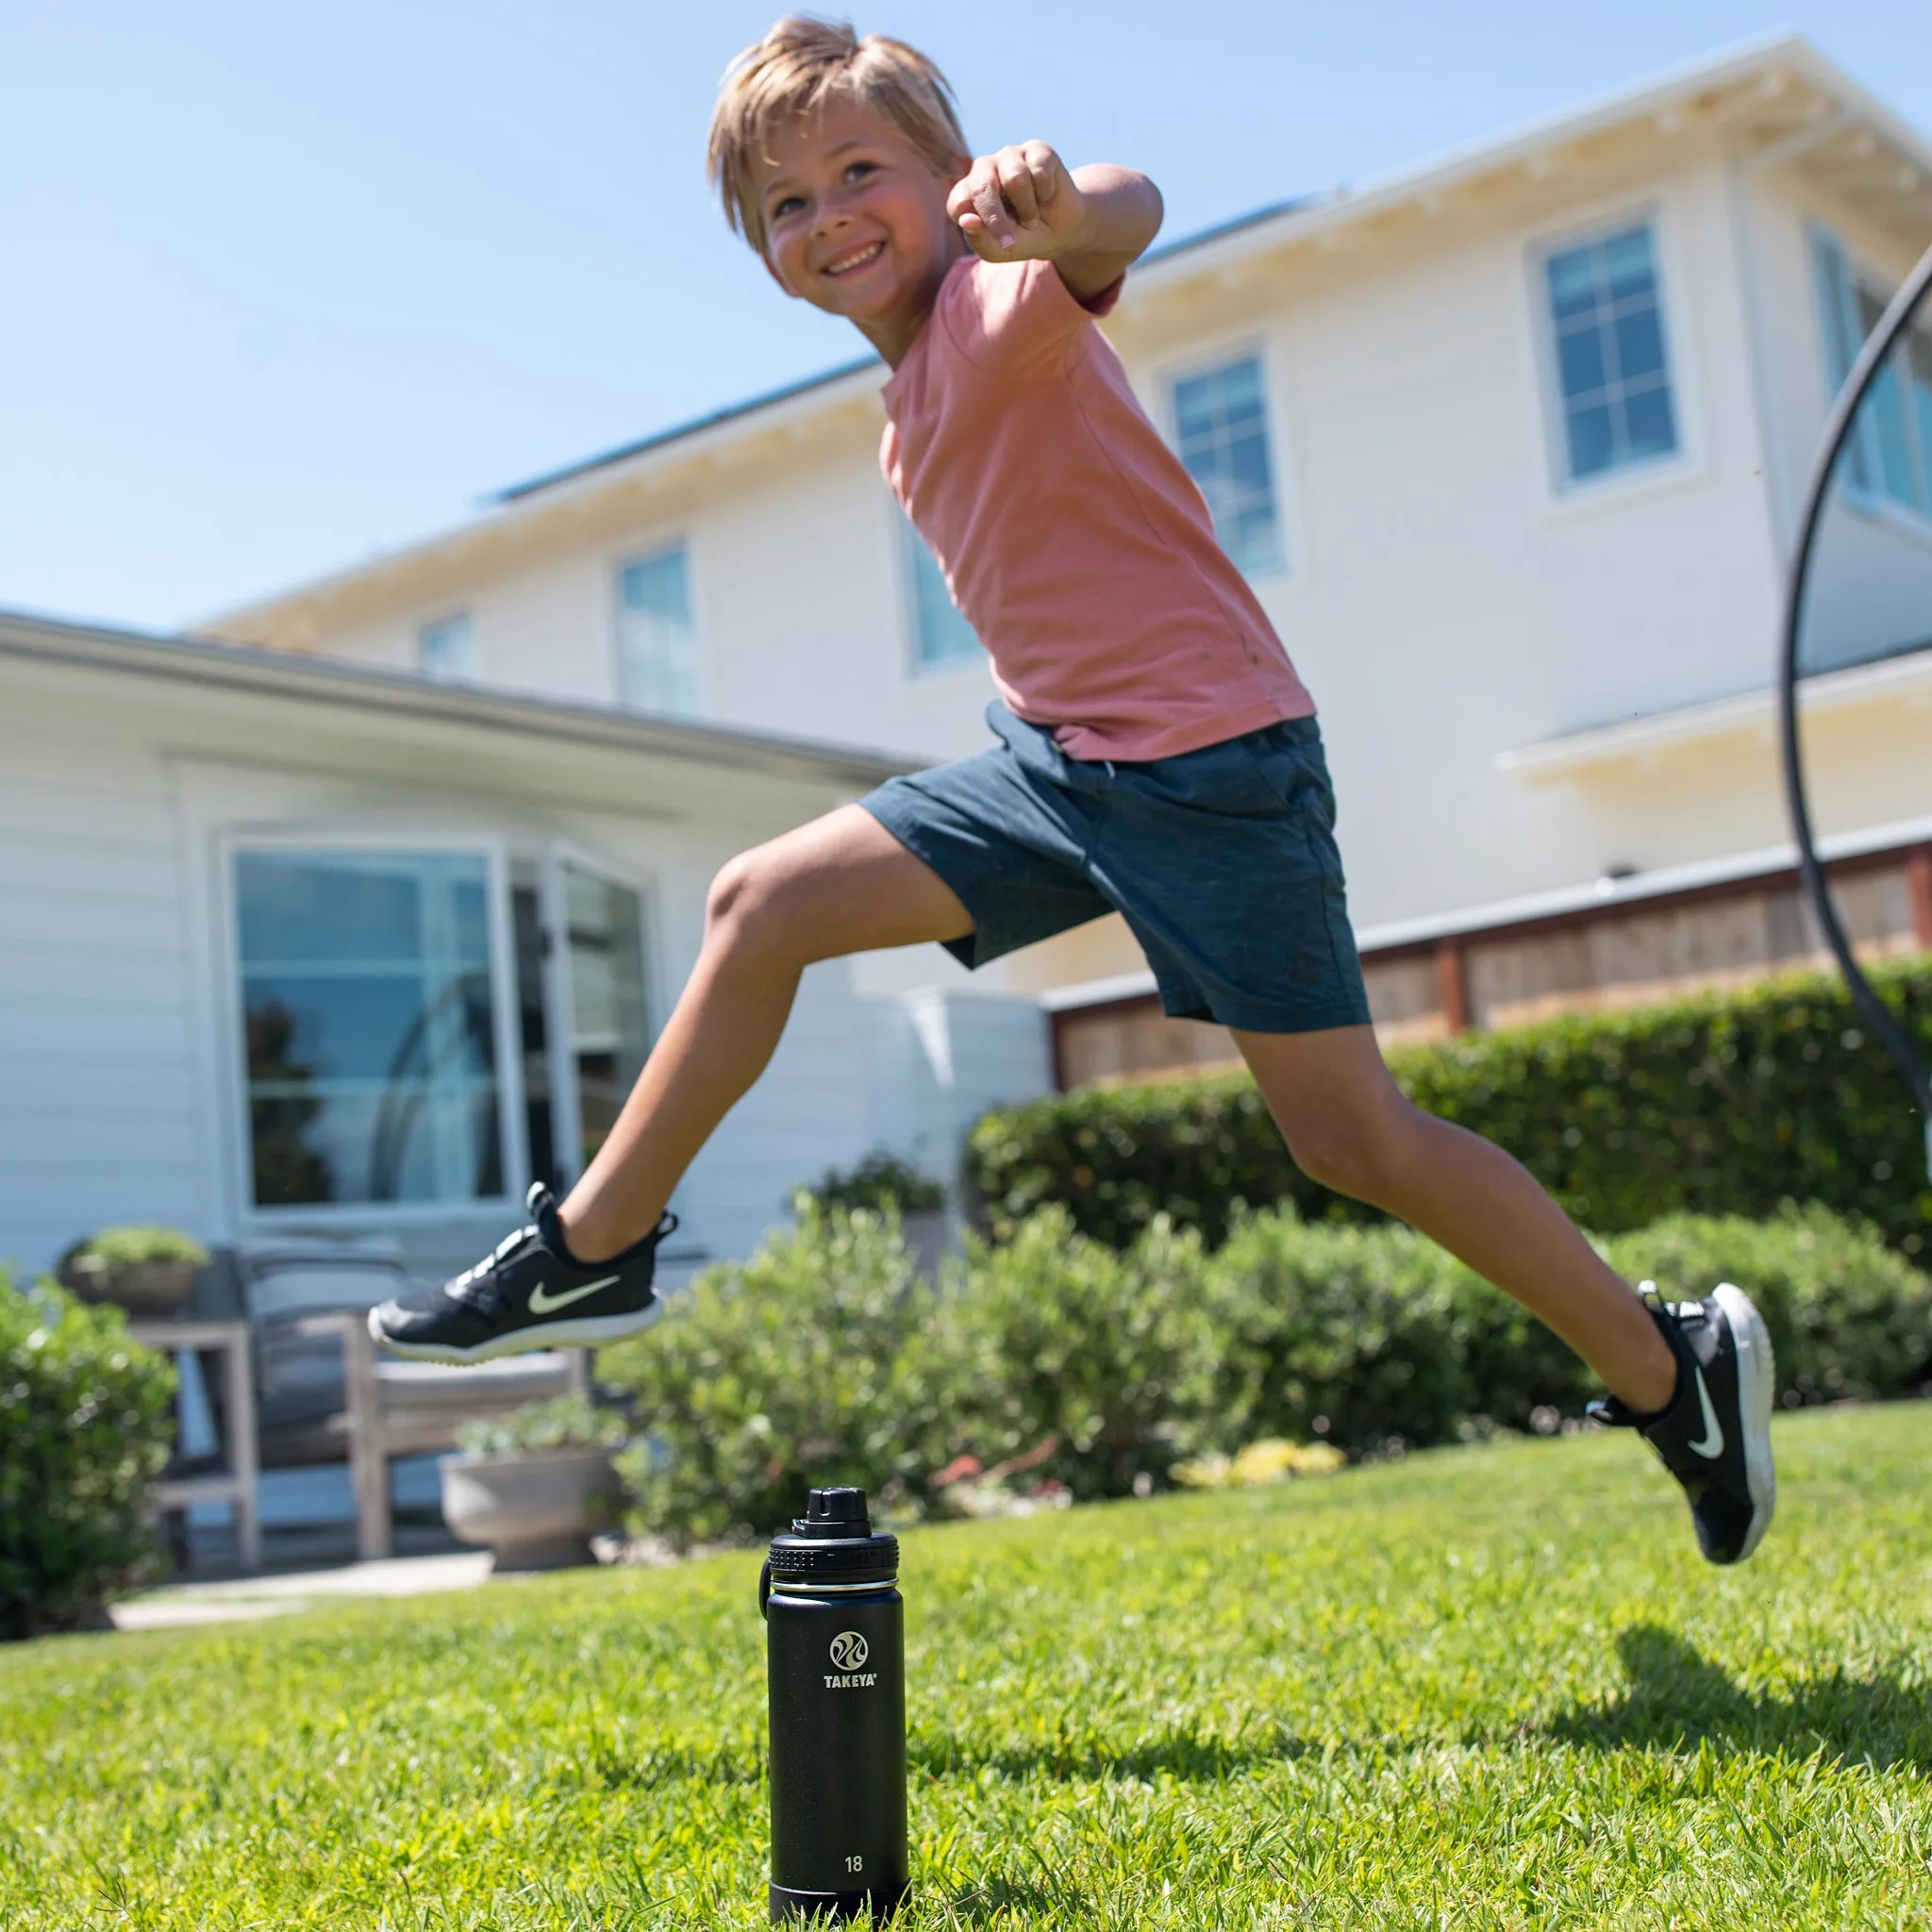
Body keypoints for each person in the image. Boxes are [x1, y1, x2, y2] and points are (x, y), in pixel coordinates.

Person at [373, 15, 1775, 1564]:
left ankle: (1673, 1374)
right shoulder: (908, 393)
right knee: (756, 901)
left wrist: (1060, 207)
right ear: (762, 250)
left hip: (1208, 769)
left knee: (1353, 1142)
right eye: (784, 203)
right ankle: (589, 1249)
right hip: (1060, 762)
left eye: (858, 171)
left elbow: (1125, 210)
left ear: (950, 177)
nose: (827, 213)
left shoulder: (994, 304)